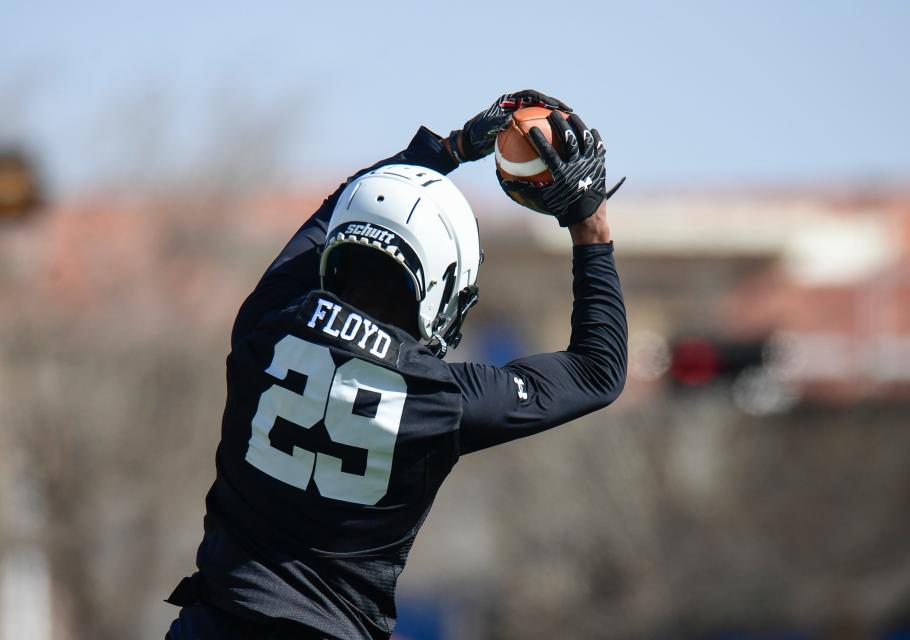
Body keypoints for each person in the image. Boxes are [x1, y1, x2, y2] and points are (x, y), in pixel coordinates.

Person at [165, 90, 628, 640]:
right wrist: (590, 227)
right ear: (443, 280)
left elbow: (342, 202)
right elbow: (598, 370)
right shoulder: (439, 399)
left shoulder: (265, 324)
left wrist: (451, 147)